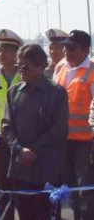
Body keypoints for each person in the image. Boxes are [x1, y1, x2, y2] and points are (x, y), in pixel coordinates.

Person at [2, 44, 68, 220]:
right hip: (20, 169)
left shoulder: (57, 93)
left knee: (48, 215)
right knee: (25, 214)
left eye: (25, 66)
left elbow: (59, 130)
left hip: (47, 171)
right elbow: (7, 126)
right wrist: (19, 149)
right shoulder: (13, 92)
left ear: (40, 66)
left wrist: (34, 150)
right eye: (18, 66)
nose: (20, 71)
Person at [53, 30, 94, 220]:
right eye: (65, 47)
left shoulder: (92, 71)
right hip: (62, 140)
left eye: (72, 47)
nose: (66, 51)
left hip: (86, 143)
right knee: (68, 187)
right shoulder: (60, 67)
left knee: (85, 188)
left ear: (85, 49)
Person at [0, 29, 22, 220]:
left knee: (23, 183)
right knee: (3, 183)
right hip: (0, 139)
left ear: (17, 52)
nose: (2, 54)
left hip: (23, 138)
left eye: (6, 50)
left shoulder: (26, 74)